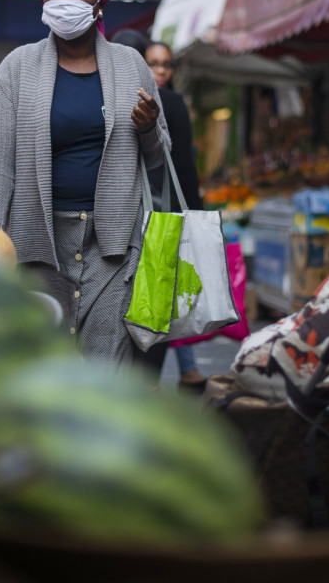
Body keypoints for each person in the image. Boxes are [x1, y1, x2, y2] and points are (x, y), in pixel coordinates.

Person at [0, 0, 170, 369]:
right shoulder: (16, 68)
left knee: (106, 369)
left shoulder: (131, 64)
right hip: (36, 246)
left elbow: (157, 157)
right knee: (40, 368)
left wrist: (147, 127)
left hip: (113, 247)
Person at [110, 30, 208, 389]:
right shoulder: (171, 102)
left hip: (153, 218)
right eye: (154, 63)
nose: (158, 70)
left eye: (164, 65)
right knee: (160, 305)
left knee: (149, 304)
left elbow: (179, 165)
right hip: (163, 219)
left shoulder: (161, 104)